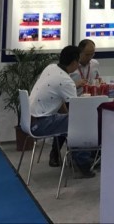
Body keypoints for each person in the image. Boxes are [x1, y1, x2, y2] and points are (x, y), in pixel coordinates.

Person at [29, 45, 94, 178]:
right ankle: (83, 164)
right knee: (81, 122)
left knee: (69, 121)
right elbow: (76, 111)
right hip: (41, 124)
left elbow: (62, 103)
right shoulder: (66, 81)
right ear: (74, 62)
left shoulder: (51, 68)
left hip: (30, 120)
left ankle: (76, 159)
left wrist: (67, 116)